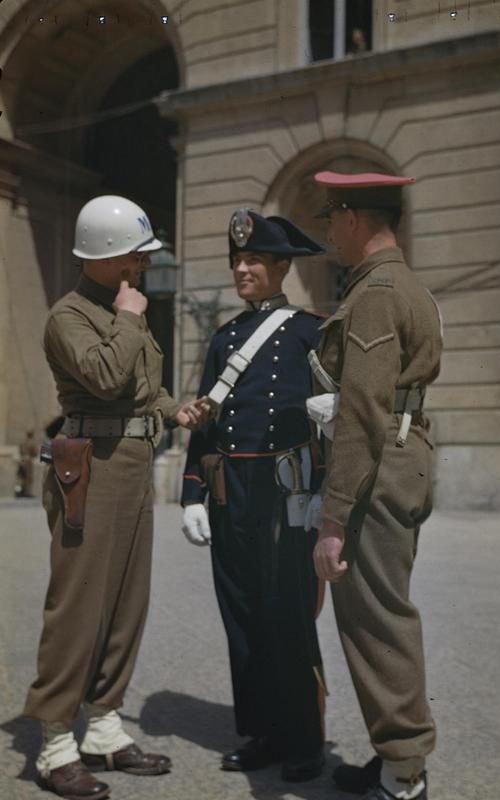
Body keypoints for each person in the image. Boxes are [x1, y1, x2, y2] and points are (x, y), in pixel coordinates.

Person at [24, 195, 210, 800]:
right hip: (90, 468)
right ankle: (55, 743)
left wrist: (173, 410)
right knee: (79, 604)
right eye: (137, 253)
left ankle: (103, 726)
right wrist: (130, 319)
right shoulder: (69, 316)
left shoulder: (125, 307)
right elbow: (102, 378)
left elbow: (139, 390)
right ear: (107, 257)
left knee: (127, 603)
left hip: (130, 464)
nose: (145, 263)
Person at [180, 208, 327, 782]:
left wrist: (324, 490)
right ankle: (263, 732)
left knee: (287, 615)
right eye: (237, 260)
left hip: (286, 491)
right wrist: (192, 493)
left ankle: (305, 740)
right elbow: (205, 422)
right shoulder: (225, 338)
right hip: (231, 493)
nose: (242, 269)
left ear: (281, 267)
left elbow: (334, 418)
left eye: (254, 261)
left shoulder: (311, 330)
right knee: (241, 615)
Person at [311, 172, 443, 800]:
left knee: (376, 621)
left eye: (330, 218)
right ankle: (397, 759)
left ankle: (404, 772)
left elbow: (361, 409)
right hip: (403, 454)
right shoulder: (404, 284)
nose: (328, 232)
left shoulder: (375, 292)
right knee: (380, 612)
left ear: (353, 218)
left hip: (376, 466)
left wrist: (334, 519)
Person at [16, 430, 38, 497]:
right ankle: (27, 493)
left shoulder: (23, 442)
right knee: (28, 477)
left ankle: (20, 491)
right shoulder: (32, 443)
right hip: (28, 461)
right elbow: (35, 453)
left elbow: (20, 450)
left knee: (22, 476)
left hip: (22, 460)